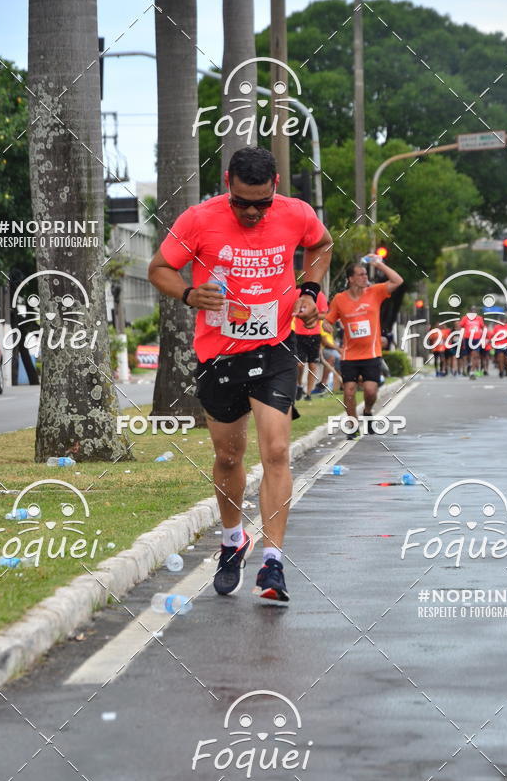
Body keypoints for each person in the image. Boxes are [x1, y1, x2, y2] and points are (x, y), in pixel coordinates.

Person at [148, 147, 332, 603]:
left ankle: (274, 563)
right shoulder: (198, 219)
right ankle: (233, 541)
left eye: (261, 203)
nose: (251, 211)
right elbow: (159, 269)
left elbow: (322, 244)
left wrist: (309, 289)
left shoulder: (297, 214)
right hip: (218, 355)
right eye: (242, 202)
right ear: (228, 182)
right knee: (229, 457)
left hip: (275, 349)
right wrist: (190, 294)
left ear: (275, 188)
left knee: (276, 449)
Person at [324, 256, 403, 439]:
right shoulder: (339, 299)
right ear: (350, 279)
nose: (364, 277)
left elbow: (398, 281)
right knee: (349, 391)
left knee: (370, 390)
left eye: (366, 274)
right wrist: (327, 325)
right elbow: (328, 320)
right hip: (350, 354)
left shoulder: (375, 292)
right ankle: (352, 424)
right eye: (360, 274)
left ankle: (367, 411)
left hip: (371, 353)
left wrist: (378, 264)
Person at [293, 288, 328, 401]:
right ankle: (299, 385)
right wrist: (298, 314)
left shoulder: (320, 295)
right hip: (299, 334)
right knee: (300, 364)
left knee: (313, 365)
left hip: (314, 334)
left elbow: (324, 314)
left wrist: (311, 316)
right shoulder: (297, 293)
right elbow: (291, 311)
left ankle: (308, 393)